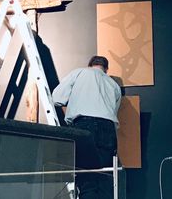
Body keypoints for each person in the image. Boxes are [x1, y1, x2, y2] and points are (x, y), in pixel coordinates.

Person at [52, 55, 122, 199]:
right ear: (106, 69)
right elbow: (114, 110)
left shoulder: (79, 73)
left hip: (84, 126)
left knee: (86, 178)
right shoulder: (113, 85)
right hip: (107, 128)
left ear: (90, 65)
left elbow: (57, 98)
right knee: (105, 178)